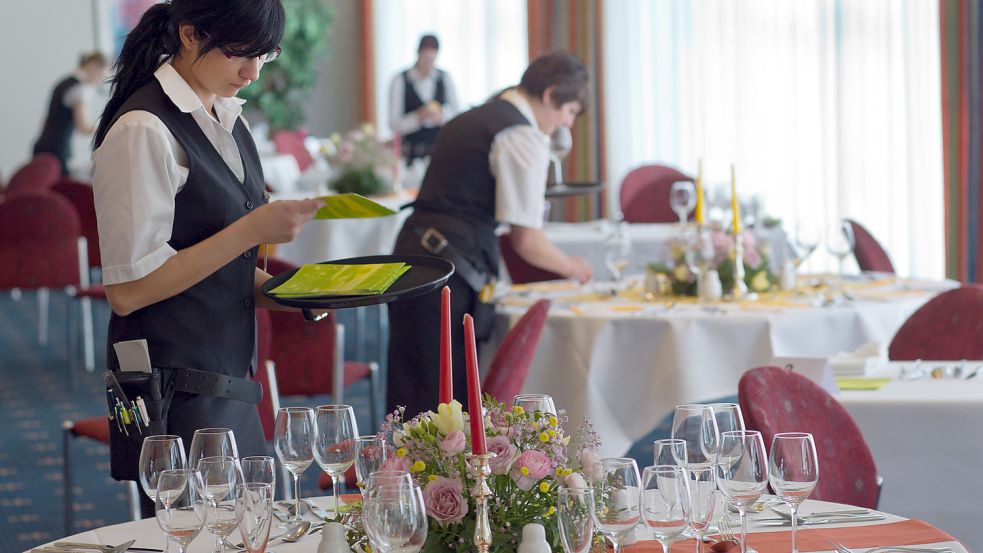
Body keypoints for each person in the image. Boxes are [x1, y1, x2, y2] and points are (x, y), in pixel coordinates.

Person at [91, 0, 322, 514]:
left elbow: (215, 270)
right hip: (174, 389)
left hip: (228, 383)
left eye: (266, 55)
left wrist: (304, 293)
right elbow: (130, 291)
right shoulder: (143, 130)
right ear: (191, 34)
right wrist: (249, 231)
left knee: (249, 531)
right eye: (242, 53)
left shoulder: (225, 116)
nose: (253, 71)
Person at [387, 51, 594, 418]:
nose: (567, 124)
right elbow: (526, 240)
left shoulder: (476, 116)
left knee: (412, 393)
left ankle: (401, 474)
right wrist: (573, 267)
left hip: (414, 253)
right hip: (447, 271)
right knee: (440, 406)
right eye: (570, 112)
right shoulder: (520, 135)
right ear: (549, 96)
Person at [33, 52, 109, 175]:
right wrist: (109, 128)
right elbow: (83, 127)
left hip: (43, 146)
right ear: (93, 66)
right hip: (56, 153)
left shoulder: (64, 82)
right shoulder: (79, 89)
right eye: (101, 76)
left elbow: (46, 121)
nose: (99, 82)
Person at [388, 34, 460, 163]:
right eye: (425, 58)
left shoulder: (444, 78)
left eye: (432, 59)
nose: (428, 63)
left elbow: (457, 114)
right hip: (410, 156)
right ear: (418, 54)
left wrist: (442, 117)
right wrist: (418, 117)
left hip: (439, 152)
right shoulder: (400, 80)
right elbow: (394, 124)